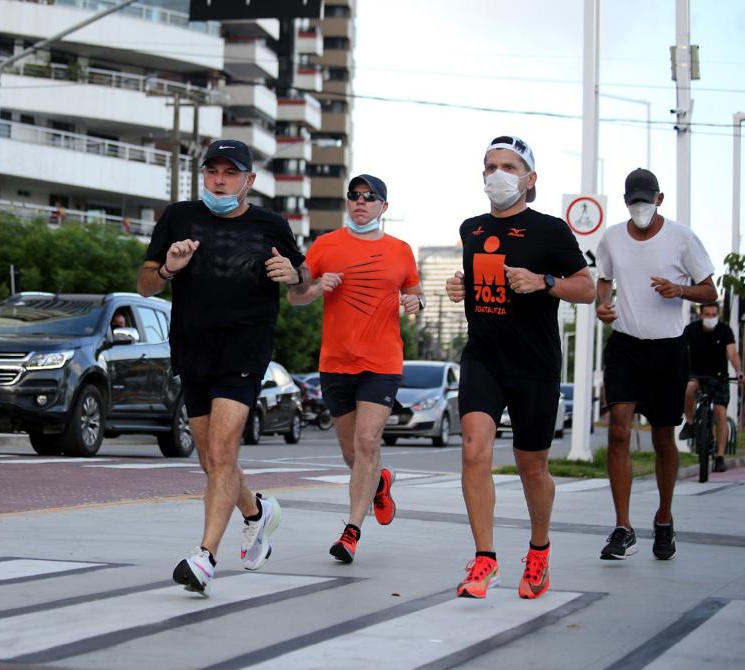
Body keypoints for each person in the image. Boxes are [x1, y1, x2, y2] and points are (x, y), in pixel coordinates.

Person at [137, 139, 309, 596]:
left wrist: (293, 276)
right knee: (210, 460)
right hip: (193, 348)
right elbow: (146, 285)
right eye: (212, 171)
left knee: (223, 448)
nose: (219, 180)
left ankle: (205, 557)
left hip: (245, 350)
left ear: (249, 180)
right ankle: (256, 512)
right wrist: (170, 269)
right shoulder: (179, 217)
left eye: (229, 173)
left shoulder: (271, 225)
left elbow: (302, 281)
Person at [446, 136, 594, 599]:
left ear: (530, 179)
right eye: (490, 166)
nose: (498, 174)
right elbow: (481, 283)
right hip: (483, 356)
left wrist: (544, 281)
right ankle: (485, 558)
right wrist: (460, 285)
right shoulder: (470, 228)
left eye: (509, 166)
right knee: (474, 450)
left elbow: (587, 288)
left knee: (532, 468)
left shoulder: (550, 231)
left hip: (534, 363)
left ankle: (539, 551)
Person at [287, 174, 423, 563]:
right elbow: (296, 296)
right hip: (335, 363)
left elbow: (414, 294)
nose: (360, 202)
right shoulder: (326, 246)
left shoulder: (401, 250)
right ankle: (379, 480)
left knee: (367, 443)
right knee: (352, 453)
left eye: (369, 197)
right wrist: (316, 287)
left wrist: (417, 305)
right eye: (354, 196)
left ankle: (351, 532)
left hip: (381, 363)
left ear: (384, 207)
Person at [596, 168, 717, 561]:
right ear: (626, 202)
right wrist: (603, 306)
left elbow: (709, 290)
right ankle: (622, 527)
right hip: (626, 347)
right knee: (618, 431)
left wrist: (679, 289)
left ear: (660, 199)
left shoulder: (682, 238)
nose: (640, 209)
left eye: (646, 202)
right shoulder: (612, 237)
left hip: (668, 349)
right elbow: (604, 279)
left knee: (663, 438)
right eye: (634, 203)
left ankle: (664, 519)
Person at [681, 303, 743, 473]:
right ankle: (690, 421)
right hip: (696, 374)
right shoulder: (691, 330)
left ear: (718, 314)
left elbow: (732, 353)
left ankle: (720, 457)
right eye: (707, 314)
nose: (711, 318)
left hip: (718, 376)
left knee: (720, 413)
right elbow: (681, 351)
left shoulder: (724, 330)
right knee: (689, 388)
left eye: (714, 314)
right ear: (701, 315)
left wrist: (738, 371)